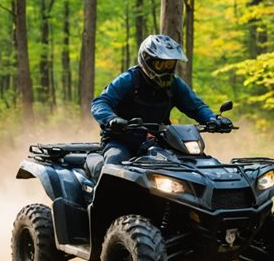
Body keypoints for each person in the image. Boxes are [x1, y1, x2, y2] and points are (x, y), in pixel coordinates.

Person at [91, 34, 232, 169]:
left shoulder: (174, 85)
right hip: (121, 141)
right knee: (114, 164)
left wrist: (213, 119)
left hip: (159, 141)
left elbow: (196, 107)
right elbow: (100, 103)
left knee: (200, 164)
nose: (166, 70)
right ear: (147, 60)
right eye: (160, 65)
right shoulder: (129, 79)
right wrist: (111, 119)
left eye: (170, 65)